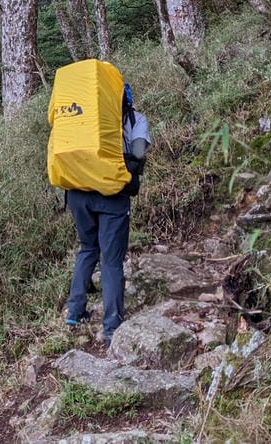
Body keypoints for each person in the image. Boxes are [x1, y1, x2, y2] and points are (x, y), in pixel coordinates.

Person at [64, 84, 150, 347]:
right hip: (112, 193)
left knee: (88, 248)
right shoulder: (135, 118)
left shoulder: (80, 116)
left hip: (77, 192)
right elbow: (138, 153)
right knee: (111, 261)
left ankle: (74, 313)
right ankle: (112, 326)